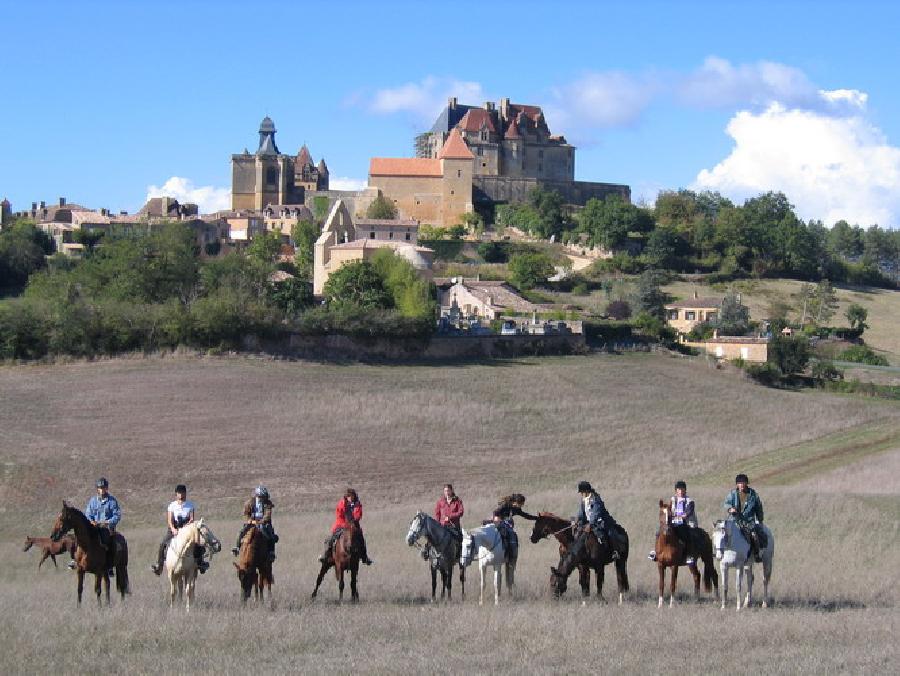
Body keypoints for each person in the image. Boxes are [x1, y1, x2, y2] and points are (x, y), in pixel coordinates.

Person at [151, 484, 207, 575]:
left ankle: (201, 563)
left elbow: (192, 519)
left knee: (198, 543)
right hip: (174, 528)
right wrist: (173, 529)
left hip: (187, 529)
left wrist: (186, 526)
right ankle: (159, 566)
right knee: (163, 544)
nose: (181, 495)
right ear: (176, 494)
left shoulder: (190, 505)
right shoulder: (172, 506)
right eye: (179, 493)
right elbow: (169, 520)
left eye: (182, 493)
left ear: (185, 493)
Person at [70, 477, 121, 574]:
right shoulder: (93, 501)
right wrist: (91, 521)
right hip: (94, 527)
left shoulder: (112, 501)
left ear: (107, 488)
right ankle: (76, 560)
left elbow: (117, 515)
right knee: (80, 538)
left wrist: (107, 522)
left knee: (109, 542)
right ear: (97, 489)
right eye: (100, 488)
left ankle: (109, 565)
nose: (102, 490)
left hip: (107, 528)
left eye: (104, 488)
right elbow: (88, 514)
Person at [319, 488, 373, 566]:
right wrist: (345, 524)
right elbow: (339, 515)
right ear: (346, 497)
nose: (351, 498)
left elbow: (358, 515)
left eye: (352, 496)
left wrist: (353, 521)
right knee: (330, 539)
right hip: (340, 525)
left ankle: (365, 557)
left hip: (354, 526)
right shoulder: (341, 503)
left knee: (361, 539)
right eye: (349, 497)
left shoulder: (357, 504)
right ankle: (326, 556)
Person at [648, 480, 698, 564]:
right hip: (674, 522)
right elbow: (669, 509)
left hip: (686, 523)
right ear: (676, 491)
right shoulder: (673, 499)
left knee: (686, 534)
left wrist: (681, 516)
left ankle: (689, 555)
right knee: (659, 531)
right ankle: (656, 552)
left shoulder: (690, 501)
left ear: (685, 490)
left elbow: (688, 513)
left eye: (682, 489)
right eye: (679, 490)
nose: (681, 491)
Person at [724, 473, 766, 562]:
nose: (741, 485)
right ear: (737, 484)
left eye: (743, 482)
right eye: (739, 483)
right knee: (723, 533)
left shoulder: (753, 495)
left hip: (748, 521)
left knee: (754, 536)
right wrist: (730, 509)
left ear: (747, 483)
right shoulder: (732, 494)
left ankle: (756, 554)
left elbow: (758, 507)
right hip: (734, 520)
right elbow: (726, 503)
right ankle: (721, 552)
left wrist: (760, 519)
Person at [574, 481, 620, 560]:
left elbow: (596, 513)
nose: (581, 494)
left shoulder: (596, 499)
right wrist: (576, 520)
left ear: (587, 491)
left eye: (582, 492)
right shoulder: (584, 500)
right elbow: (581, 512)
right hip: (588, 523)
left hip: (600, 522)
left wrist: (590, 524)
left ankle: (614, 551)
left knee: (607, 533)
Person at [231, 485, 277, 561]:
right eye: (262, 497)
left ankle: (271, 552)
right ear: (258, 496)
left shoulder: (268, 503)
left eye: (264, 497)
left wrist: (260, 522)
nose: (263, 498)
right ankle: (237, 547)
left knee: (270, 535)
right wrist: (249, 520)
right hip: (251, 522)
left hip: (263, 523)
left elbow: (267, 515)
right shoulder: (249, 503)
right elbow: (245, 514)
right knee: (241, 532)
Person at [490, 493, 534, 562]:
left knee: (512, 536)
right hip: (497, 522)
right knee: (510, 534)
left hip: (506, 525)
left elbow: (526, 515)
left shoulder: (517, 509)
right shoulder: (505, 505)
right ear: (516, 502)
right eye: (521, 504)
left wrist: (538, 518)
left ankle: (510, 557)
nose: (522, 505)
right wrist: (497, 520)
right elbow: (496, 512)